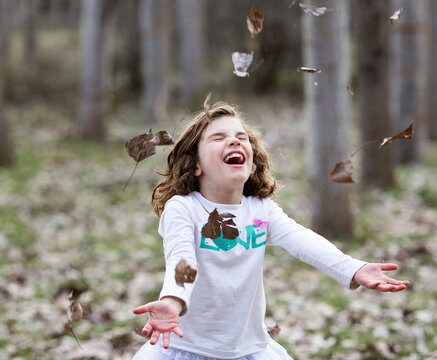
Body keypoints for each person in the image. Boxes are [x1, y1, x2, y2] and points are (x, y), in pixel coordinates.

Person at [132, 102, 410, 360]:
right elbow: (183, 260)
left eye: (241, 137)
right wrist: (173, 300)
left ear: (251, 164)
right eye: (217, 138)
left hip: (249, 348)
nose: (234, 140)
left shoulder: (260, 211)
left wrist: (354, 269)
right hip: (188, 348)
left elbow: (303, 241)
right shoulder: (184, 209)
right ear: (195, 165)